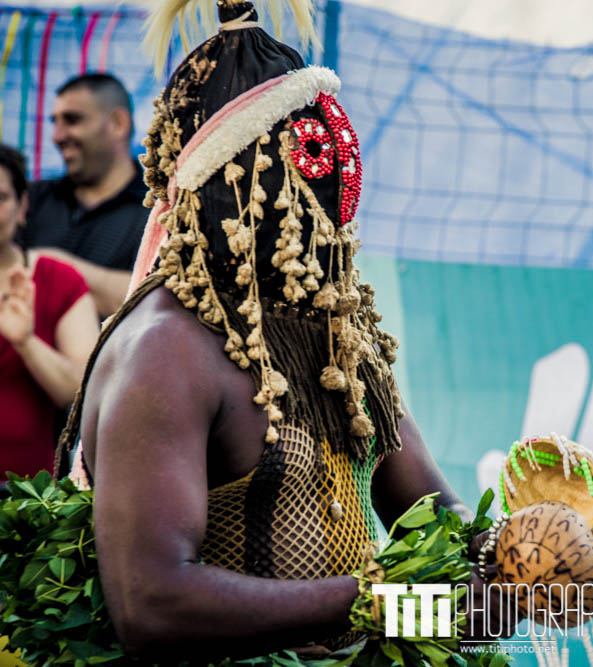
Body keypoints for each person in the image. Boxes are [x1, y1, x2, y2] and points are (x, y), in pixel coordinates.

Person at [56, 0, 517, 660]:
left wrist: (523, 560)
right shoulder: (164, 349)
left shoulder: (339, 339)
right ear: (236, 181)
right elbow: (151, 605)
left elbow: (443, 534)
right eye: (308, 162)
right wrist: (381, 602)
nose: (331, 196)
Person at [0, 144, 99, 485]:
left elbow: (80, 390)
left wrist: (26, 342)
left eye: (1, 197)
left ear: (22, 206)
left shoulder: (59, 280)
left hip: (27, 499)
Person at [21, 73, 147, 318]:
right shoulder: (31, 199)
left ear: (118, 123)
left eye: (72, 120)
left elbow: (155, 302)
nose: (57, 136)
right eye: (55, 122)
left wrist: (53, 268)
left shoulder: (157, 213)